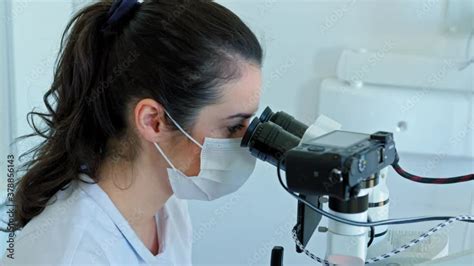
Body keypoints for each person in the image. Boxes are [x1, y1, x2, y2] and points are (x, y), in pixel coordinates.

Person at [2, 0, 262, 264]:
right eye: (232, 126)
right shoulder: (73, 254)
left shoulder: (168, 208)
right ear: (153, 122)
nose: (246, 140)